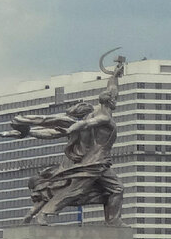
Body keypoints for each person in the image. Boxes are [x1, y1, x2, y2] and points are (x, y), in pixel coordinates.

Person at [8, 53, 125, 225]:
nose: (116, 99)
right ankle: (46, 213)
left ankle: (113, 221)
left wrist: (115, 75)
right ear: (110, 102)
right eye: (114, 99)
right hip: (93, 163)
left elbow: (112, 89)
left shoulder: (105, 111)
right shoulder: (101, 117)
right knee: (76, 191)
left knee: (117, 189)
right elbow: (84, 125)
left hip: (101, 163)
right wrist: (71, 128)